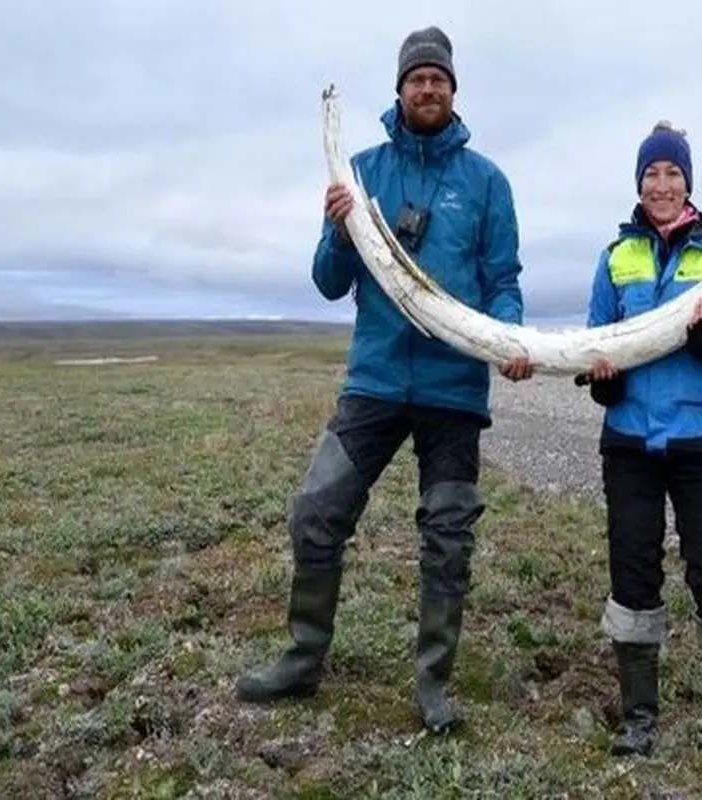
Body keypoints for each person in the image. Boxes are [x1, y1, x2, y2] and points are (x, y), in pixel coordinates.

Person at [235, 25, 532, 735]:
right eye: (416, 78)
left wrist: (510, 339)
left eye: (439, 79)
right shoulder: (360, 170)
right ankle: (304, 659)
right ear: (399, 89)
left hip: (454, 390)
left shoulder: (488, 182)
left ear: (453, 90)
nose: (427, 88)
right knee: (316, 509)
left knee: (449, 535)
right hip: (373, 381)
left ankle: (433, 683)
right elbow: (328, 282)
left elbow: (505, 281)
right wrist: (339, 229)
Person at [577, 120, 702, 765]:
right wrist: (603, 382)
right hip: (629, 440)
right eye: (651, 174)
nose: (661, 184)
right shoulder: (615, 258)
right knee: (633, 575)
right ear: (638, 183)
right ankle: (638, 719)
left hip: (699, 440)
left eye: (672, 173)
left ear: (688, 182)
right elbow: (593, 343)